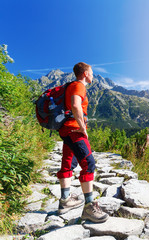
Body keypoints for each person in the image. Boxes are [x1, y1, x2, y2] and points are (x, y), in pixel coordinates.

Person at [56, 62, 109, 223]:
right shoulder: (79, 85)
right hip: (74, 131)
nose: (93, 75)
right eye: (91, 72)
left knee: (68, 164)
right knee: (89, 163)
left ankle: (65, 200)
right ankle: (89, 207)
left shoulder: (70, 85)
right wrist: (82, 127)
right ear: (85, 73)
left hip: (66, 131)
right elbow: (75, 105)